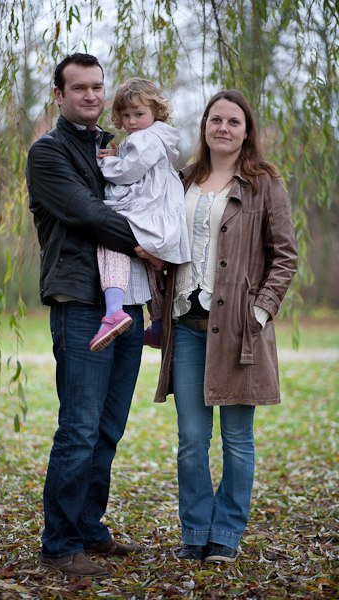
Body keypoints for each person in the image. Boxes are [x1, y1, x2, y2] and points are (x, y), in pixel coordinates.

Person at [26, 53, 158, 577]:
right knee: (79, 428)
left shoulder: (115, 146)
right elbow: (88, 213)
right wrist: (152, 242)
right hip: (80, 302)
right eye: (79, 88)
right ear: (59, 95)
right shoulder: (48, 153)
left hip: (128, 302)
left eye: (97, 87)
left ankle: (88, 528)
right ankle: (59, 545)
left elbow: (151, 194)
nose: (91, 96)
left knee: (107, 428)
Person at [154, 90, 298, 563]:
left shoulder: (264, 184)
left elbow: (285, 257)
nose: (223, 128)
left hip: (240, 334)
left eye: (234, 121)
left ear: (246, 130)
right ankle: (196, 531)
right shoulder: (182, 180)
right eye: (215, 119)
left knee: (237, 441)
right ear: (204, 126)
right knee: (191, 441)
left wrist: (259, 312)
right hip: (186, 327)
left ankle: (226, 534)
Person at [89, 78, 190, 353]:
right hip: (159, 216)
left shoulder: (146, 138)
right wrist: (120, 153)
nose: (132, 122)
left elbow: (128, 172)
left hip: (146, 212)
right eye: (126, 115)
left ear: (156, 112)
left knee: (110, 243)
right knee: (151, 266)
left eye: (139, 114)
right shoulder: (158, 138)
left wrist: (107, 162)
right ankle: (157, 323)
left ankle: (113, 311)